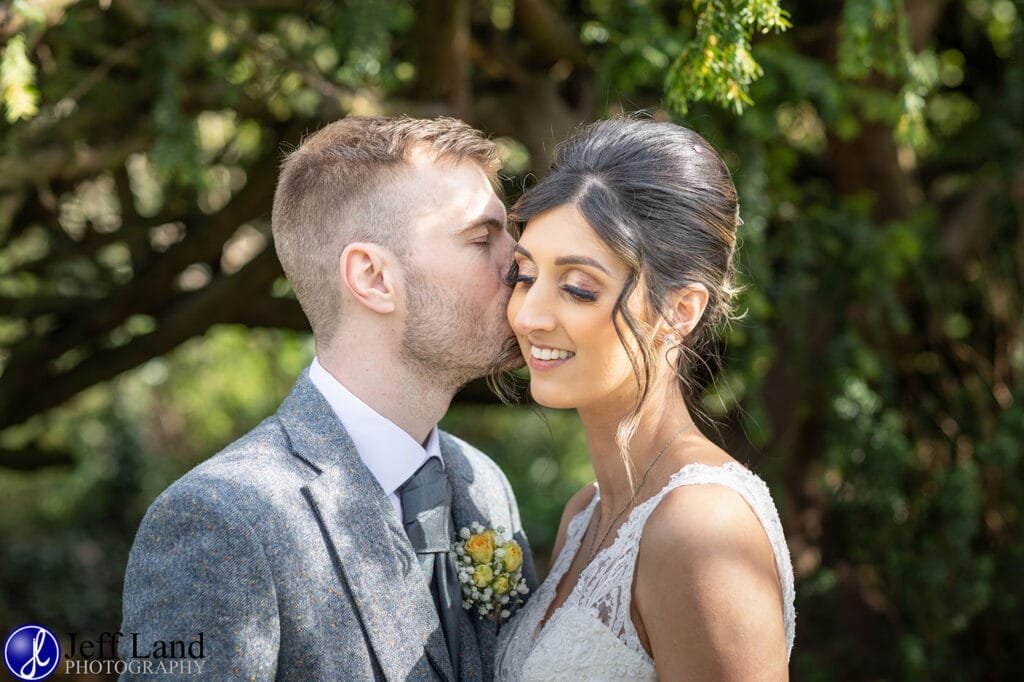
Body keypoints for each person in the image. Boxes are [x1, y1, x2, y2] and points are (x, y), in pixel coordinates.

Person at [120, 116, 537, 681]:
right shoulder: (220, 522)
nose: (522, 263)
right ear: (373, 278)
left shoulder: (482, 483)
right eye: (482, 238)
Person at [494, 118, 796, 681]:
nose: (528, 315)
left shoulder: (703, 528)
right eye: (525, 275)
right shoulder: (582, 515)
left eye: (579, 288)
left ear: (680, 310)